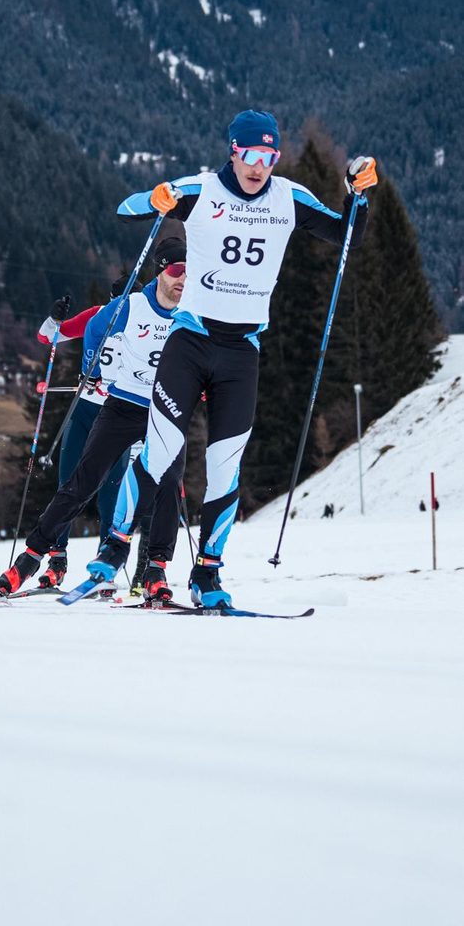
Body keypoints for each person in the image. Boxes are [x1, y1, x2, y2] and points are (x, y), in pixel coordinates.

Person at [102, 109, 377, 608]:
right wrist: (155, 199)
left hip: (242, 350)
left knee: (225, 469)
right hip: (190, 341)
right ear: (233, 150)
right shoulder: (203, 190)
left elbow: (348, 236)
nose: (259, 166)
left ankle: (208, 572)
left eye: (269, 156)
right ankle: (114, 548)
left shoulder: (288, 198)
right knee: (160, 453)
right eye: (250, 154)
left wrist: (357, 194)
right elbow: (127, 209)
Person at [0, 238, 187, 596]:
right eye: (177, 271)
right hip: (113, 405)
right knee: (81, 481)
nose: (183, 280)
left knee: (164, 484)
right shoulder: (120, 309)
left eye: (188, 274)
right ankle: (36, 557)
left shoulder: (189, 309)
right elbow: (54, 336)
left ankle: (151, 568)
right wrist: (86, 363)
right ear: (159, 273)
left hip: (162, 408)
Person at [34, 277, 143, 588]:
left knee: (111, 490)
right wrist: (54, 317)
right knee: (68, 482)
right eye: (115, 304)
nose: (119, 310)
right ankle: (57, 559)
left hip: (119, 414)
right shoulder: (98, 315)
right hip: (85, 409)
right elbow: (49, 338)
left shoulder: (147, 318)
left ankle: (105, 563)